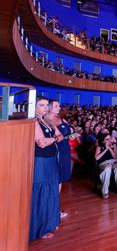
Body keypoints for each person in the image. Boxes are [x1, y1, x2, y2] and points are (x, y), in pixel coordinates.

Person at [30, 96, 63, 241]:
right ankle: (40, 229)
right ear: (34, 106)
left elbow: (61, 136)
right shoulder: (34, 121)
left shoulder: (47, 120)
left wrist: (53, 139)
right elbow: (41, 143)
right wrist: (54, 139)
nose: (45, 107)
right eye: (41, 105)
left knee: (51, 191)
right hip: (41, 161)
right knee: (41, 193)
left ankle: (50, 223)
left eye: (46, 105)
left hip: (50, 160)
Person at [45, 99, 73, 219]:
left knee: (60, 180)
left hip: (65, 149)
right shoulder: (46, 120)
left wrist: (71, 133)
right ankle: (51, 210)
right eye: (56, 106)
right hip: (56, 150)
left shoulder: (62, 119)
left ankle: (55, 208)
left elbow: (67, 132)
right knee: (55, 180)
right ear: (49, 107)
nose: (59, 107)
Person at [95, 132, 117, 198]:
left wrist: (109, 148)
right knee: (107, 169)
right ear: (103, 140)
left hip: (113, 161)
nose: (109, 140)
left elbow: (115, 156)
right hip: (104, 163)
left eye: (109, 138)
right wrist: (105, 149)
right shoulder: (99, 146)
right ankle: (105, 191)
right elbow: (96, 158)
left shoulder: (113, 145)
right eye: (107, 139)